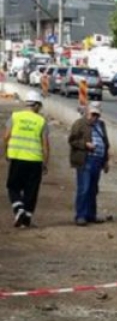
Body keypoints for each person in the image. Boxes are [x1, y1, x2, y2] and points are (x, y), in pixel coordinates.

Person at [3, 90, 50, 227]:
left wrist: (6, 152)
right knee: (31, 190)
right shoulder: (41, 121)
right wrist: (45, 163)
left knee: (13, 187)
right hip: (35, 160)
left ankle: (19, 210)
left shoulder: (15, 117)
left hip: (17, 158)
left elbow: (6, 137)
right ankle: (26, 218)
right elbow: (46, 145)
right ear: (36, 105)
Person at [68, 101, 110, 226]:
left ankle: (91, 215)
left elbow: (105, 143)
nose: (94, 117)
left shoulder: (101, 125)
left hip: (98, 160)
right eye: (92, 115)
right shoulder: (79, 124)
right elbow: (72, 140)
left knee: (93, 189)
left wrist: (106, 160)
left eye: (97, 115)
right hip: (85, 159)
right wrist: (85, 145)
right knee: (84, 188)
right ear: (87, 113)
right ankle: (80, 215)